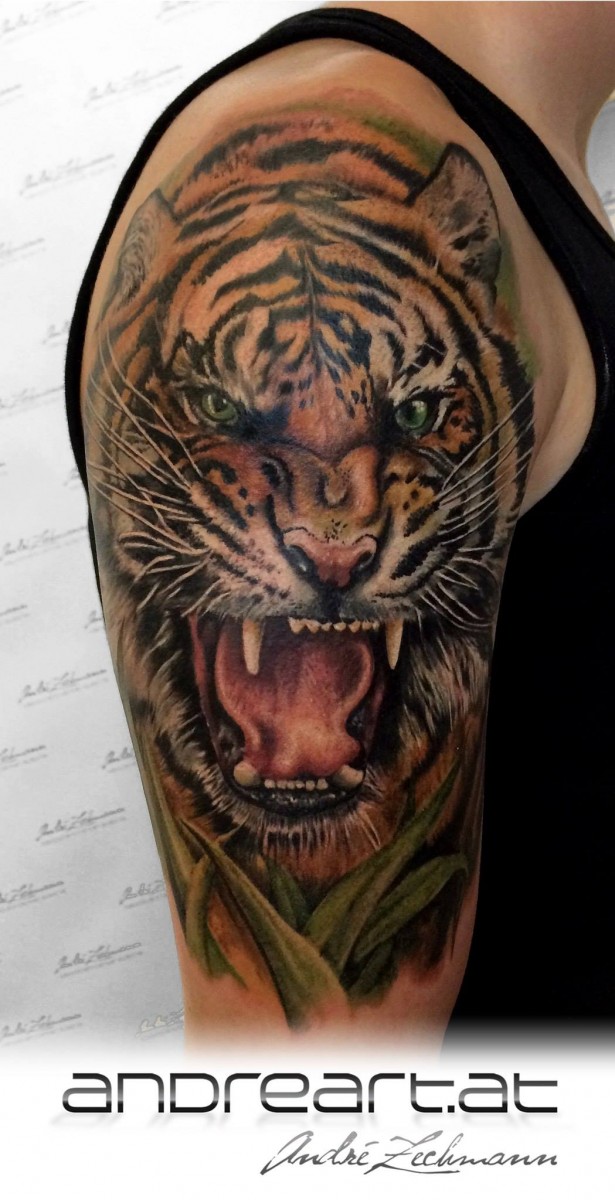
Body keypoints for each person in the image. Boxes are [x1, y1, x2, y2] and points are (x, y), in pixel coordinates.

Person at [64, 2, 615, 1041]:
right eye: (229, 411)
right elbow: (300, 1094)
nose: (340, 530)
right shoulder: (325, 159)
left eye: (416, 415)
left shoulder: (511, 171)